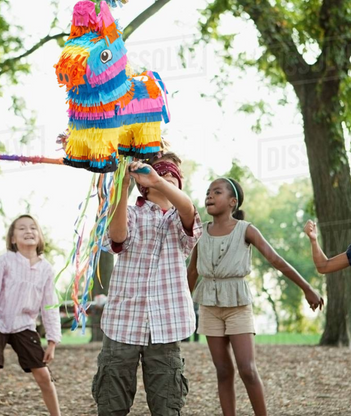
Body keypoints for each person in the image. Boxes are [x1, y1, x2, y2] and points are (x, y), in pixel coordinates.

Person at [187, 178, 324, 416]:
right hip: (209, 305)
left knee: (247, 369)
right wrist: (183, 306)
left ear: (232, 202)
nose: (209, 196)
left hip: (238, 304)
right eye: (208, 192)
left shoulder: (246, 229)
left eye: (216, 192)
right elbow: (192, 271)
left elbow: (276, 260)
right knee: (222, 370)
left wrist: (306, 287)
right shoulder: (201, 233)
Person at [92, 152, 203, 416]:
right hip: (122, 322)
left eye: (172, 177)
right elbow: (118, 237)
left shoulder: (180, 218)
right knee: (112, 402)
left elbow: (187, 209)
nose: (165, 179)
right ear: (143, 186)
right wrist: (121, 188)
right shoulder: (131, 212)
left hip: (167, 324)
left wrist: (158, 180)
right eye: (160, 174)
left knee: (167, 404)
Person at [0, 214, 62, 416]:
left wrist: (52, 341)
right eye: (21, 228)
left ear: (39, 237)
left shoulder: (46, 269)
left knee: (43, 376)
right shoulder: (4, 261)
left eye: (33, 228)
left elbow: (50, 306)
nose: (28, 231)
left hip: (24, 325)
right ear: (13, 239)